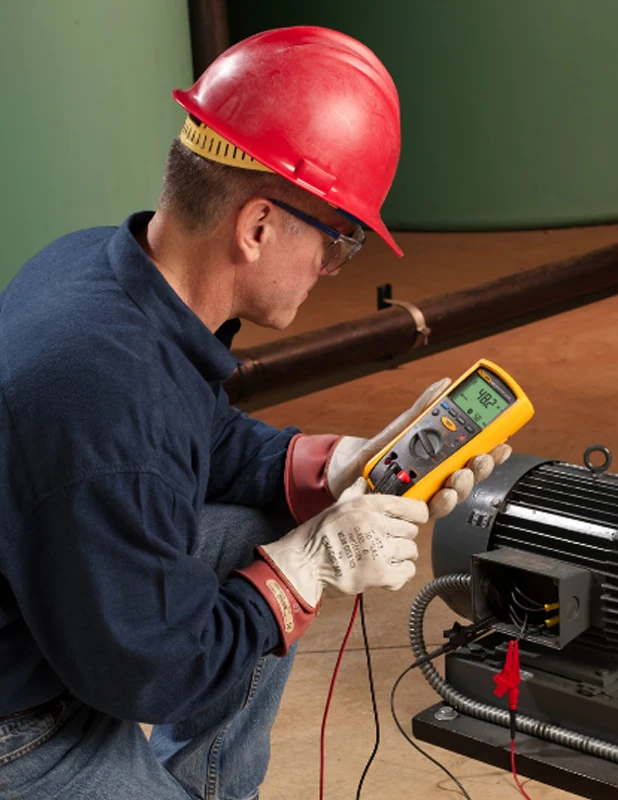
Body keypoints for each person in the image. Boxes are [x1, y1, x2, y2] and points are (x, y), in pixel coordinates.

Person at [0, 27, 511, 800]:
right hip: (22, 722)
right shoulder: (107, 399)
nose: (332, 267)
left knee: (257, 526)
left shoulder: (104, 275)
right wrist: (303, 570)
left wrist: (335, 466)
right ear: (258, 226)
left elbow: (198, 436)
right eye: (338, 240)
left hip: (47, 605)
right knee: (272, 564)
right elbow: (153, 673)